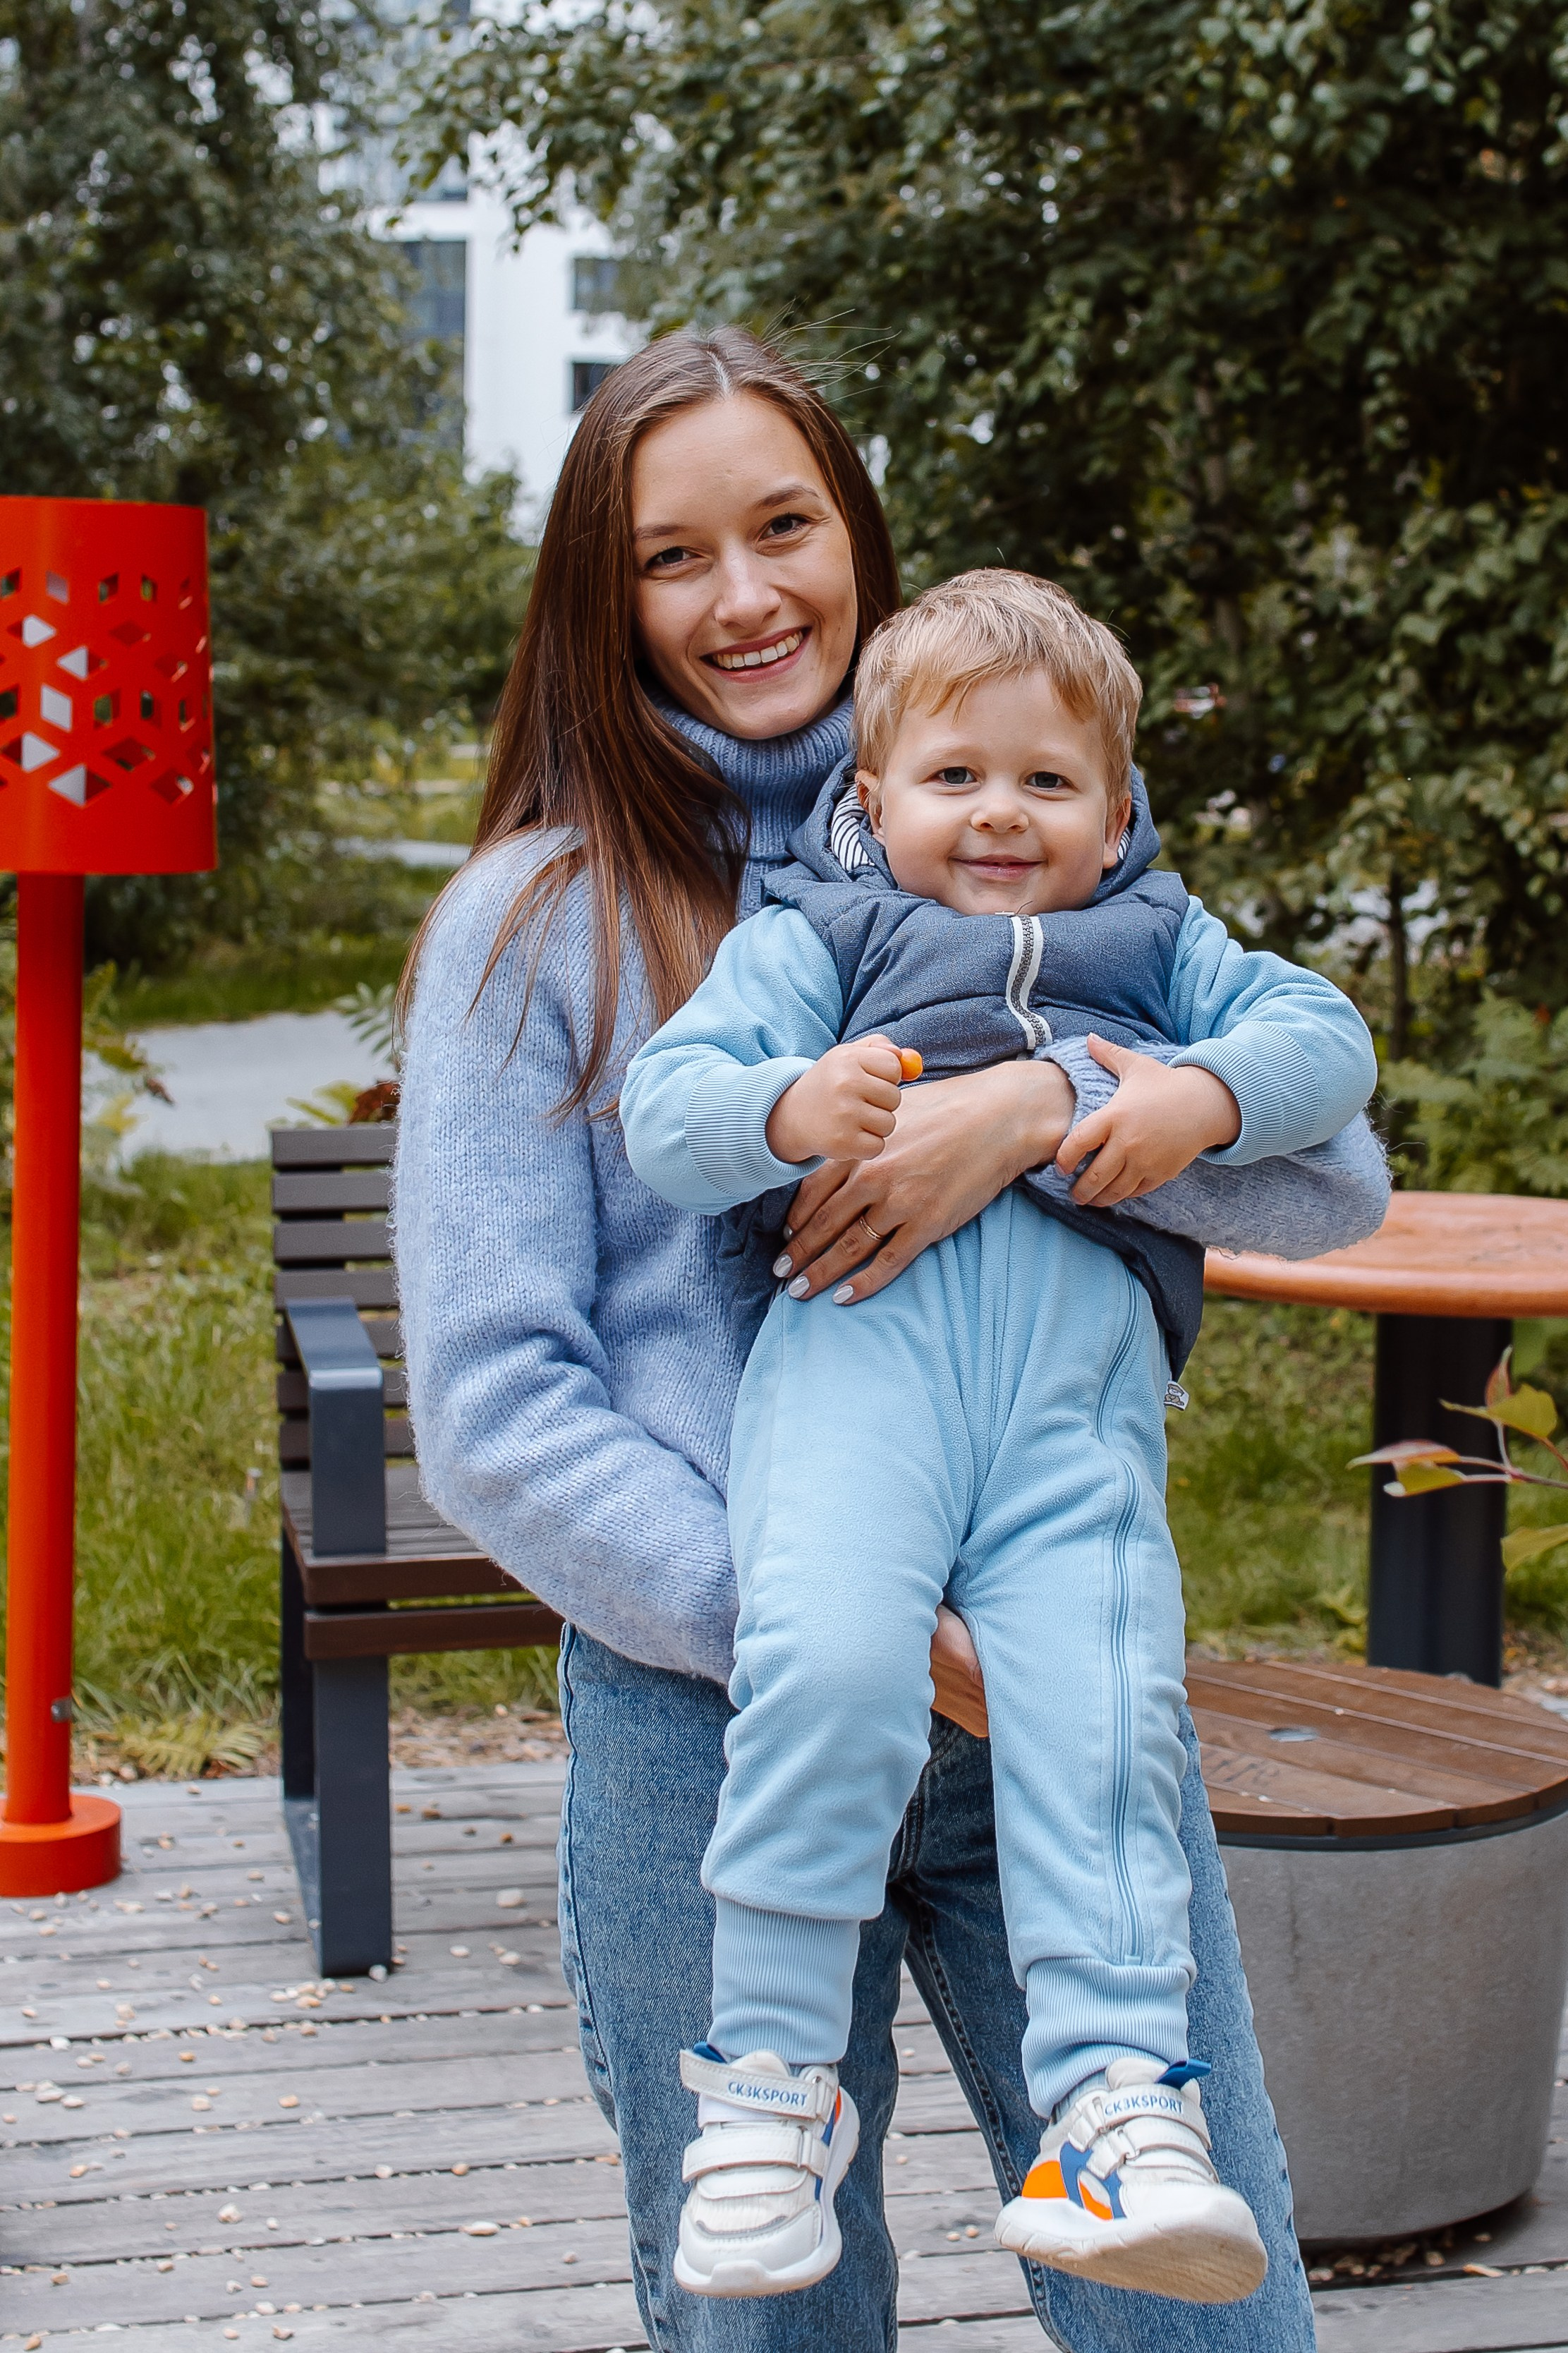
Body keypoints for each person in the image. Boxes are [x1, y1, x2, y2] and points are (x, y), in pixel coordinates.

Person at [396, 325, 1380, 2352]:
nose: (745, 595)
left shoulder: (1015, 819)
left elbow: (1328, 1179)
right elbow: (497, 1403)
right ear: (608, 598)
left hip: (1054, 1701)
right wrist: (809, 1620)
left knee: (1208, 2298)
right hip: (717, 1710)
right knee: (774, 2313)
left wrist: (1032, 1101)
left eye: (785, 527)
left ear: (858, 535)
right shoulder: (531, 919)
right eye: (676, 557)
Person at [619, 569, 1382, 2306]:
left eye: (1047, 783)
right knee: (819, 1666)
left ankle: (1116, 2105)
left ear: (1116, 810)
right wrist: (785, 1105)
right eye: (951, 776)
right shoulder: (816, 937)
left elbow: (1324, 1048)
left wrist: (1176, 1091)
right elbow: (669, 1115)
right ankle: (765, 2086)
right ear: (869, 796)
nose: (997, 816)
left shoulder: (1164, 944)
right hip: (852, 1381)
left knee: (1104, 1720)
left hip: (1070, 1427)